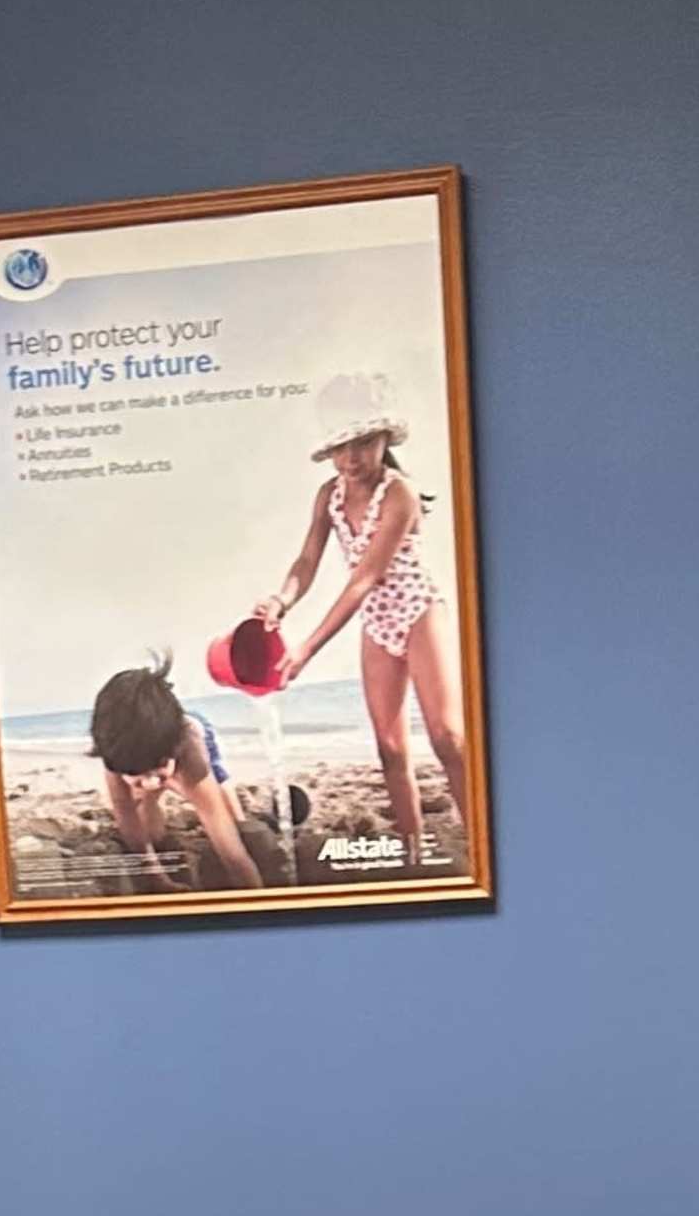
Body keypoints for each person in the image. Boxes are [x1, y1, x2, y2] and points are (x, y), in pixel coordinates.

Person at [264, 375, 467, 876]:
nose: (352, 458)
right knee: (390, 746)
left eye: (363, 443)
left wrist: (307, 649)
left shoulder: (401, 495)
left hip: (417, 608)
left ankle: (475, 826)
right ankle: (414, 847)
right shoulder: (327, 497)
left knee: (446, 737)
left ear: (384, 441)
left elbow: (364, 578)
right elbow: (306, 561)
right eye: (341, 446)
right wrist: (281, 601)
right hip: (376, 621)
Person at [86, 660, 261, 891]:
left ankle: (241, 820)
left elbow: (229, 847)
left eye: (158, 770)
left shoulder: (190, 753)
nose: (150, 782)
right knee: (146, 815)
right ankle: (150, 790)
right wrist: (158, 879)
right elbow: (126, 818)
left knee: (226, 804)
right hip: (153, 748)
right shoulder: (117, 752)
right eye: (134, 774)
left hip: (195, 734)